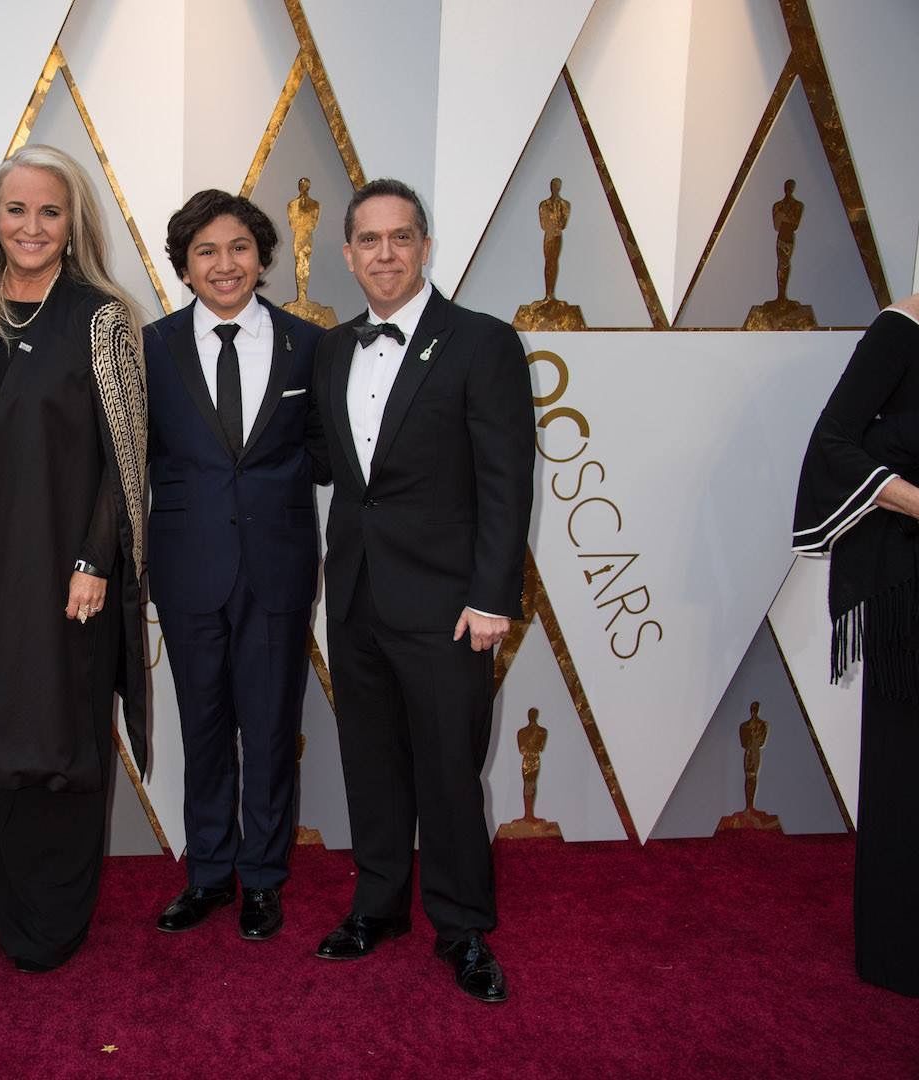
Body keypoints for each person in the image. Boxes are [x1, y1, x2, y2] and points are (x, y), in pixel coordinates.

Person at [309, 179, 534, 1004]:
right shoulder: (333, 350)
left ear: (426, 247)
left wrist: (492, 596)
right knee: (370, 765)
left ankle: (463, 926)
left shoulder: (482, 343)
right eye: (368, 240)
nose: (384, 254)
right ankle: (379, 907)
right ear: (346, 254)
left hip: (448, 608)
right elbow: (333, 471)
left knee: (447, 771)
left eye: (401, 238)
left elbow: (509, 483)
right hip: (358, 599)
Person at [0, 144, 148, 973]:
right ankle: (3, 880)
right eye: (16, 209)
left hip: (64, 571)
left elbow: (127, 457)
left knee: (59, 735)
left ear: (73, 225)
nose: (31, 226)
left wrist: (96, 559)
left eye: (49, 211)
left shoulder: (101, 316)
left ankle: (53, 912)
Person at [141, 190, 325, 940]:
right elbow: (137, 458)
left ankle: (264, 878)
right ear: (184, 266)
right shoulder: (149, 347)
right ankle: (210, 873)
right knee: (204, 725)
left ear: (263, 257)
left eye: (239, 248)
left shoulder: (307, 345)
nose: (225, 265)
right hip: (188, 566)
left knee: (273, 726)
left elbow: (322, 449)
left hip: (277, 567)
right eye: (206, 252)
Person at [791, 215, 919, 1002]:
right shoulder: (901, 330)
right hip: (915, 581)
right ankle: (907, 951)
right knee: (916, 766)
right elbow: (834, 442)